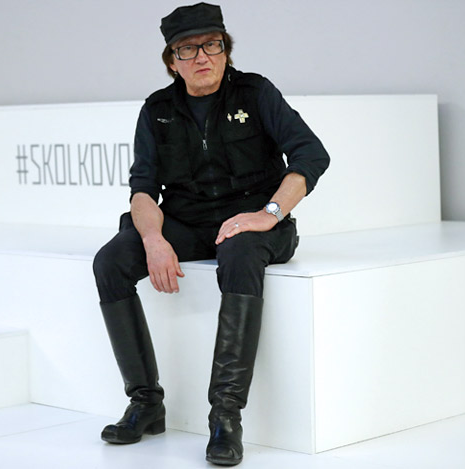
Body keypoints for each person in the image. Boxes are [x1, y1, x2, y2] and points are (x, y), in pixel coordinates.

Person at [92, 2, 329, 466]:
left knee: (240, 251)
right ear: (172, 61)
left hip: (253, 225)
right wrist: (154, 240)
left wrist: (269, 213)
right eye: (188, 48)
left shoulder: (256, 93)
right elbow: (142, 190)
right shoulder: (157, 110)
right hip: (187, 222)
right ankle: (145, 403)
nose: (202, 56)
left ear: (226, 50)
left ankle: (226, 417)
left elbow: (310, 154)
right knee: (111, 261)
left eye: (212, 45)